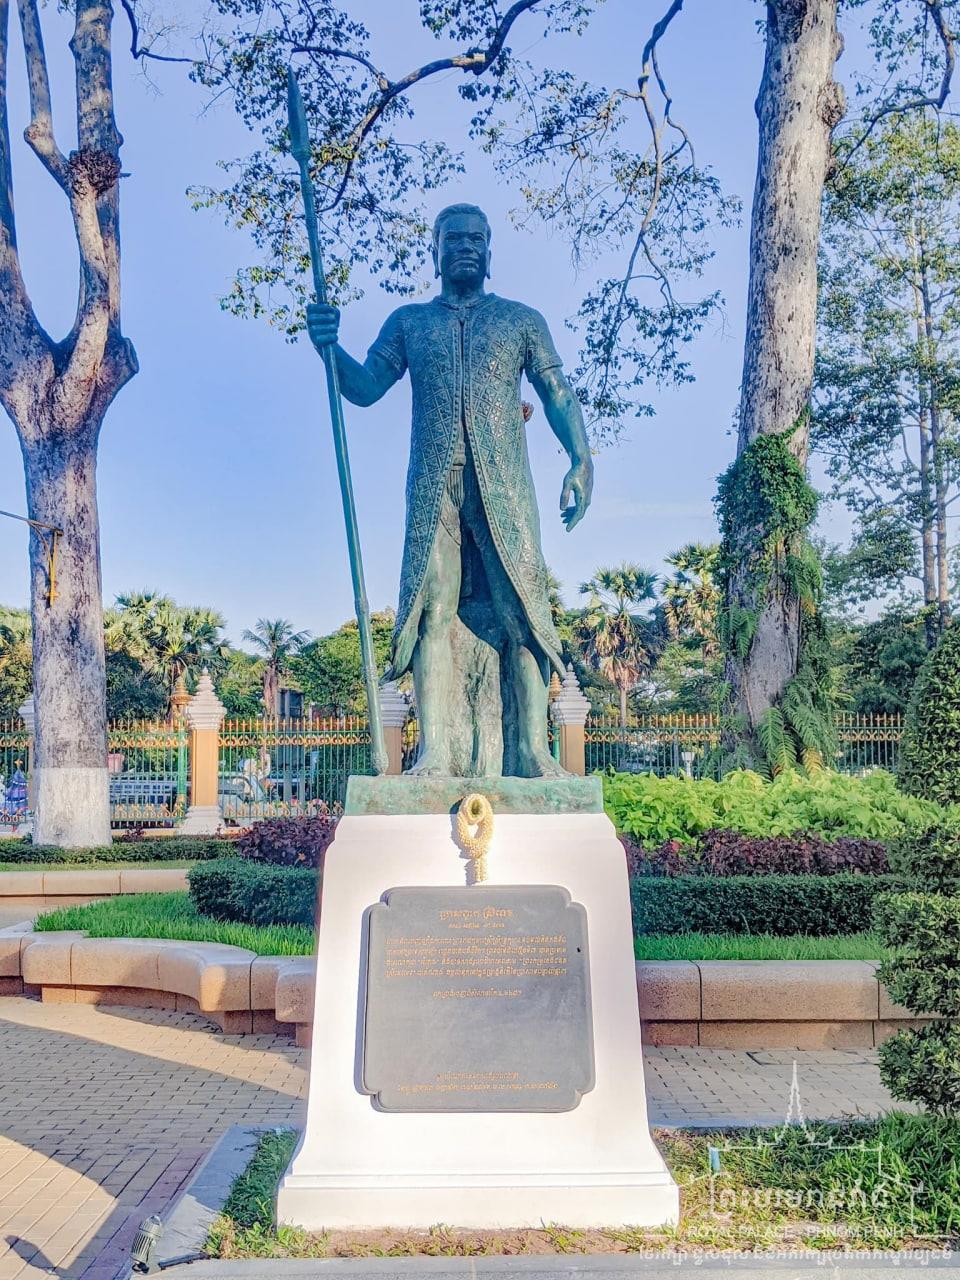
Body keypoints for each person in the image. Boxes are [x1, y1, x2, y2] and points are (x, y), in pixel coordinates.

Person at [307, 203, 593, 778]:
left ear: (489, 251)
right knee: (432, 610)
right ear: (435, 252)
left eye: (476, 239)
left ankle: (533, 751)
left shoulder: (520, 320)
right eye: (453, 239)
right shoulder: (410, 322)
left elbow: (557, 393)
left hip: (503, 486)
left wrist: (581, 458)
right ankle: (436, 752)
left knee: (522, 610)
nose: (465, 248)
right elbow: (365, 388)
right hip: (435, 485)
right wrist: (329, 349)